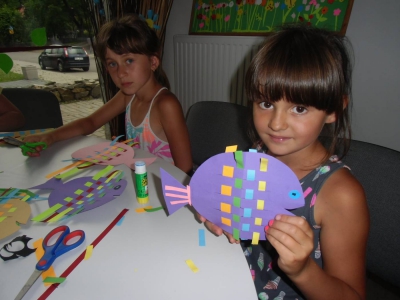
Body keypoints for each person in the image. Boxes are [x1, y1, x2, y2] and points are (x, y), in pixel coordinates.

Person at [198, 25, 369, 299]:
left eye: (299, 108)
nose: (276, 124)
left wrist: (302, 270)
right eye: (265, 103)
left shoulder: (340, 195)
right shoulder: (258, 154)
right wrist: (220, 212)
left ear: (334, 110)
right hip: (234, 279)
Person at [24, 15, 193, 174]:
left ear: (153, 62)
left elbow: (184, 169)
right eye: (112, 64)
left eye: (129, 60)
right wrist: (50, 136)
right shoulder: (128, 96)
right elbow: (90, 122)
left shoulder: (165, 105)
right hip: (139, 180)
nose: (120, 73)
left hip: (161, 190)